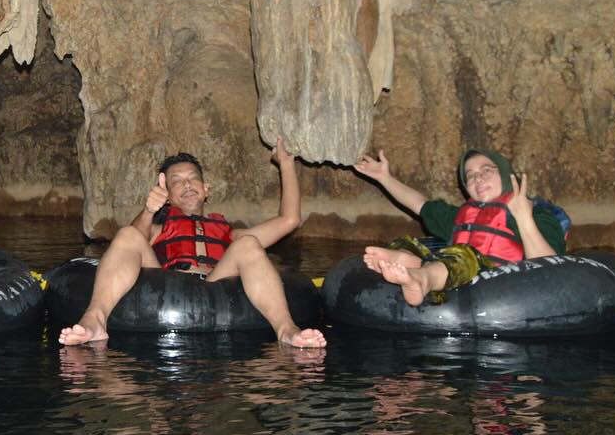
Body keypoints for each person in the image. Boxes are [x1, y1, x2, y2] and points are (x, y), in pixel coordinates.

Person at [58, 140, 326, 348]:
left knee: (250, 244)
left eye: (192, 178)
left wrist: (286, 164)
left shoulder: (229, 234)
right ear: (169, 196)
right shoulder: (158, 228)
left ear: (206, 188)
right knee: (128, 234)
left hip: (216, 281)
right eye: (176, 181)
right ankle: (95, 321)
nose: (186, 184)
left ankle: (286, 331)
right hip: (168, 282)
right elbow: (132, 238)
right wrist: (149, 210)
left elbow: (289, 220)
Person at [353, 147, 566, 306]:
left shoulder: (539, 215)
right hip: (458, 277)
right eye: (470, 176)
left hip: (503, 286)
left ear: (505, 174)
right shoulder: (463, 217)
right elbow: (419, 204)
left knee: (464, 256)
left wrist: (523, 217)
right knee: (407, 243)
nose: (478, 178)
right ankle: (408, 260)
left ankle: (422, 278)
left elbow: (550, 269)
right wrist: (384, 177)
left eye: (486, 170)